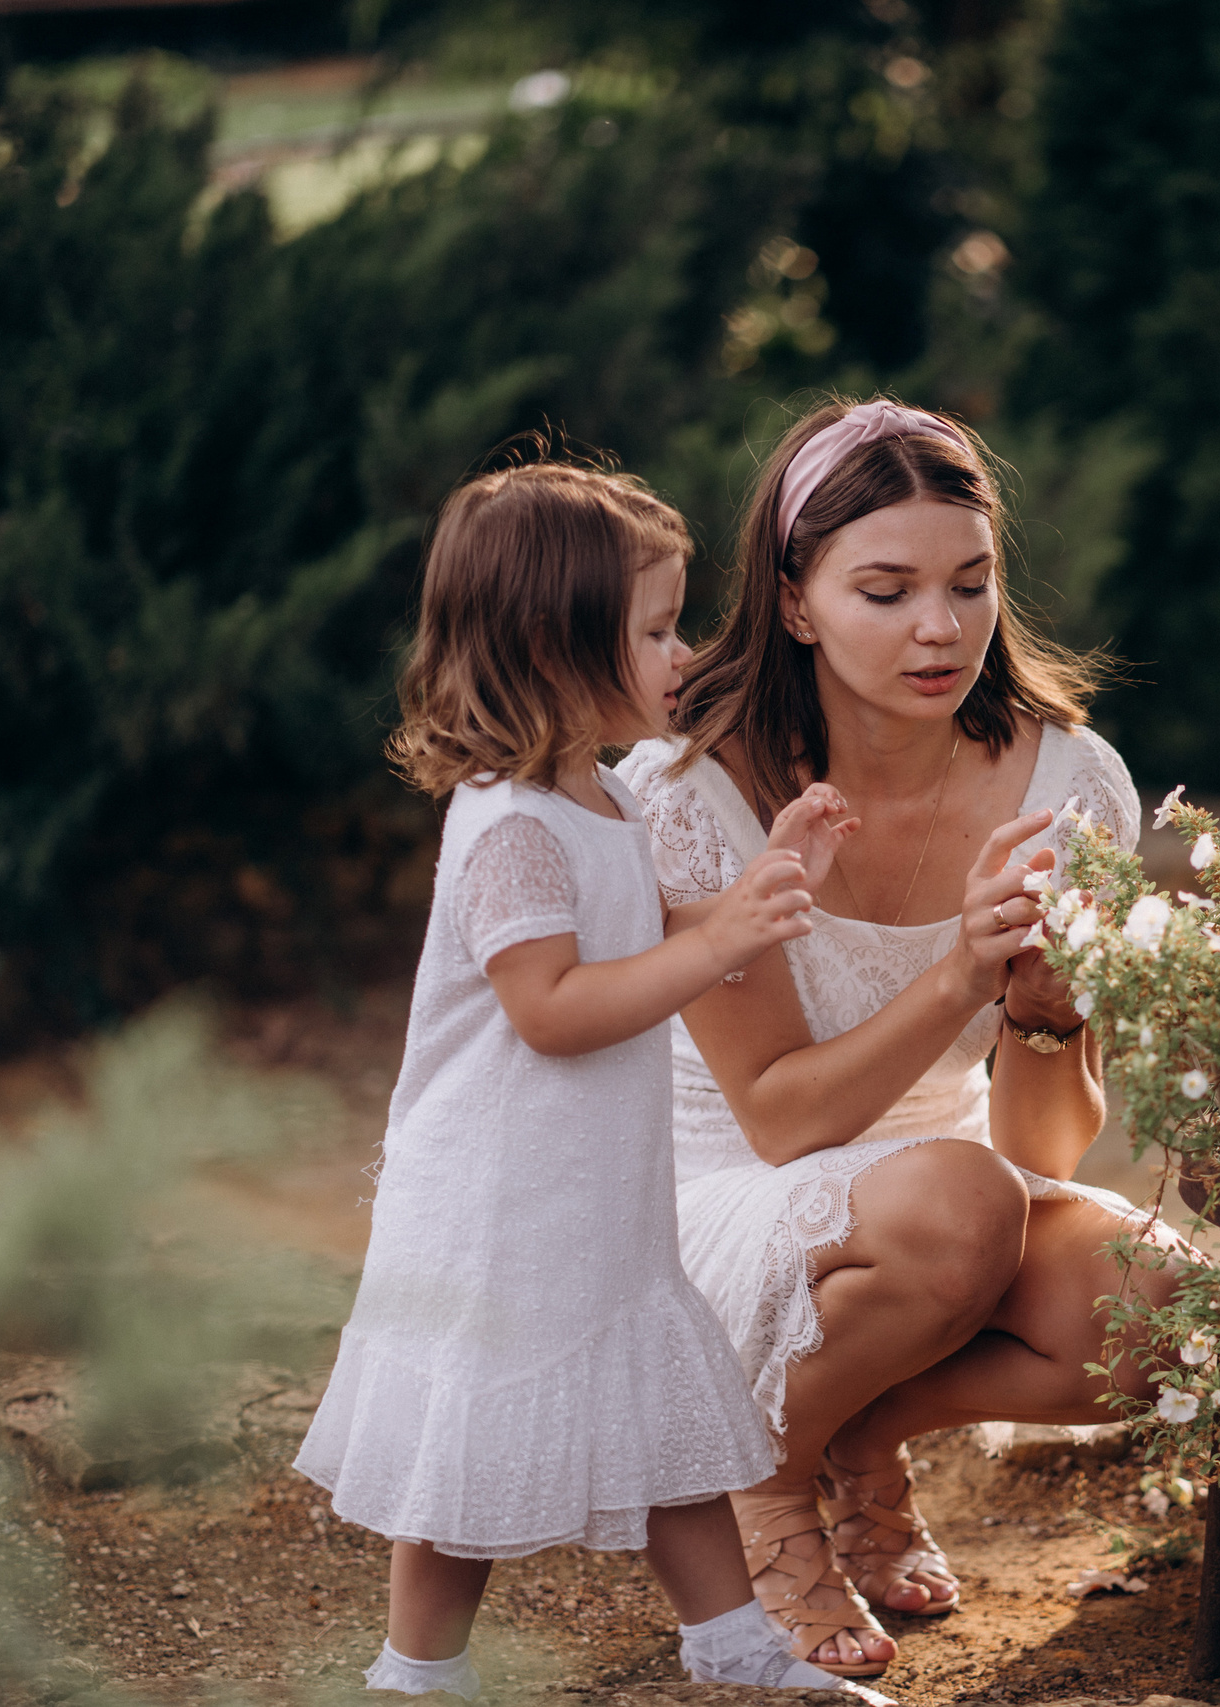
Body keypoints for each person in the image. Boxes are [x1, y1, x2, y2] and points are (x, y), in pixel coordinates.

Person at [618, 398, 1182, 1679]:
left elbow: (1044, 1142)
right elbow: (778, 1117)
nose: (941, 628)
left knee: (1165, 1310)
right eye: (887, 590)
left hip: (944, 1194)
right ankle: (760, 1483)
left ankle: (857, 1431)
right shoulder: (692, 791)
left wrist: (1045, 1011)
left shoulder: (1072, 781)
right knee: (959, 1203)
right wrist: (961, 973)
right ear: (797, 600)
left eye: (970, 584)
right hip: (721, 1188)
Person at [294, 460, 872, 1701]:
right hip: (500, 1207)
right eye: (656, 629)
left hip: (596, 1200)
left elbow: (654, 922)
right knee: (471, 1453)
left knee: (665, 1427)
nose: (682, 653)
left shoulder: (597, 793)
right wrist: (710, 945)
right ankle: (417, 1672)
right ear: (556, 648)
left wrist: (763, 881)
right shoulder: (506, 822)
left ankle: (729, 1641)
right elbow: (551, 1009)